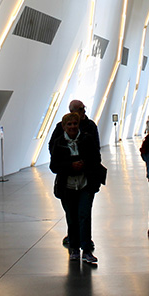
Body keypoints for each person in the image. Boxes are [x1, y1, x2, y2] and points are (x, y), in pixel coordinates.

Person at [50, 112, 102, 264]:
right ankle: (74, 248)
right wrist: (70, 166)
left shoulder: (87, 140)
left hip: (85, 184)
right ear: (64, 127)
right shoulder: (59, 143)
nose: (72, 127)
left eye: (75, 124)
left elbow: (96, 159)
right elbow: (54, 166)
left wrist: (84, 165)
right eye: (69, 124)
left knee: (84, 216)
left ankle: (86, 249)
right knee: (72, 218)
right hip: (67, 187)